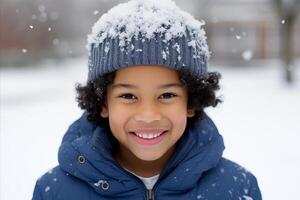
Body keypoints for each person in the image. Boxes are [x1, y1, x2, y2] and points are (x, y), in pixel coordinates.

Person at [32, 0, 262, 199]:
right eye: (128, 96)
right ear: (103, 103)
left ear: (191, 102)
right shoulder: (54, 191)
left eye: (167, 95)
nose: (148, 115)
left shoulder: (236, 187)